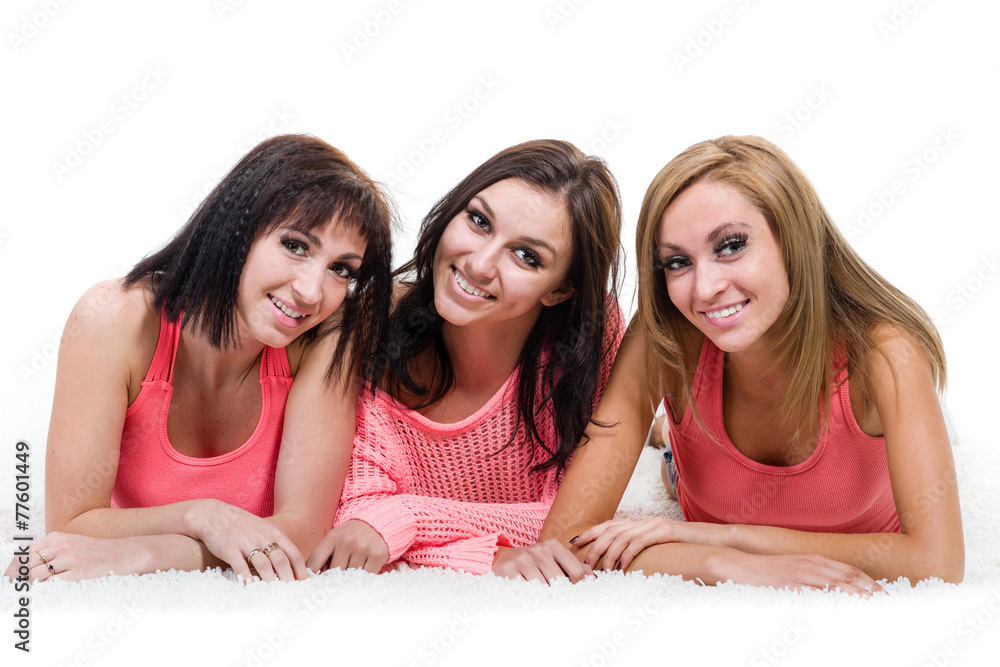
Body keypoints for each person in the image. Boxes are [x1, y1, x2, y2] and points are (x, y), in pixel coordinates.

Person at [543, 135, 962, 592]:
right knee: (672, 463)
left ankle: (666, 429)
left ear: (793, 238)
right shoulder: (667, 335)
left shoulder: (888, 352)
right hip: (688, 473)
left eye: (730, 246)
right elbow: (566, 541)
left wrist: (722, 537)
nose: (705, 289)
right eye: (678, 262)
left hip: (873, 403)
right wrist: (727, 565)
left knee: (938, 427)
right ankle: (668, 434)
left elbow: (937, 563)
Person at [6, 134, 393, 583]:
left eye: (341, 269)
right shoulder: (113, 319)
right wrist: (204, 516)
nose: (311, 292)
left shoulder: (325, 337)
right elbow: (71, 525)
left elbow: (303, 532)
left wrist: (148, 554)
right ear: (236, 228)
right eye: (295, 245)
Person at [306, 139, 625, 582]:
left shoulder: (588, 336)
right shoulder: (369, 337)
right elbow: (354, 519)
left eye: (527, 256)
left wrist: (406, 517)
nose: (479, 264)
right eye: (479, 221)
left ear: (560, 289)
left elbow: (574, 519)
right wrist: (491, 555)